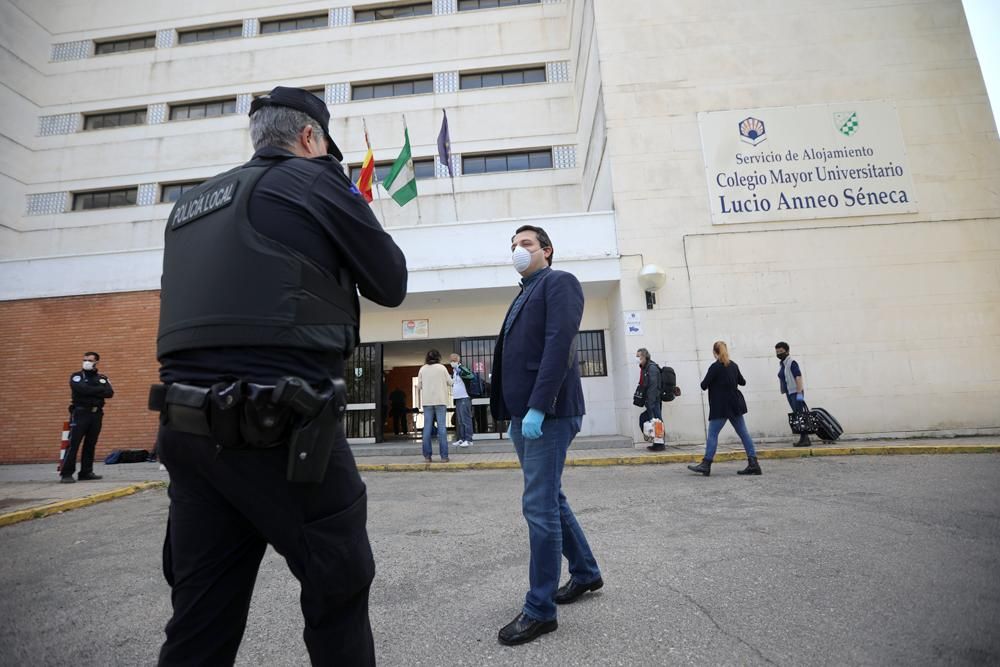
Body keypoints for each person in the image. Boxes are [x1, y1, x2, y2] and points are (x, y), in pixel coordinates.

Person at [152, 86, 407, 666]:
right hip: (282, 428)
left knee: (199, 617)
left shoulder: (192, 204)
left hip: (187, 430)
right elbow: (390, 281)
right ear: (310, 138)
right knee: (338, 591)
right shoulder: (317, 180)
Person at [490, 225, 603, 646]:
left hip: (549, 412)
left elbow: (560, 344)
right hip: (527, 414)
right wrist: (514, 412)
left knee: (538, 507)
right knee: (551, 498)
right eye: (514, 245)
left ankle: (540, 610)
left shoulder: (559, 282)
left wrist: (539, 405)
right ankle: (587, 572)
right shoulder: (525, 290)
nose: (519, 250)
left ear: (547, 250)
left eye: (527, 244)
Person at [687, 341, 761, 476]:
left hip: (720, 406)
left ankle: (706, 463)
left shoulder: (715, 367)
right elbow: (742, 382)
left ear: (715, 352)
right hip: (735, 405)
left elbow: (704, 385)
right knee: (744, 434)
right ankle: (753, 463)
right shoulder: (733, 365)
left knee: (713, 435)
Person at [61, 351, 114, 483]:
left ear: (96, 362)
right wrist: (98, 390)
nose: (86, 362)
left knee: (90, 443)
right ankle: (66, 473)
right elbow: (81, 389)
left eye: (90, 360)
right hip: (80, 413)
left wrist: (92, 390)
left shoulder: (102, 378)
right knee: (74, 443)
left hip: (96, 414)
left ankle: (86, 472)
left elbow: (109, 393)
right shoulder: (77, 376)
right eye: (85, 359)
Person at [418, 349, 452, 462]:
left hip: (427, 402)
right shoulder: (442, 368)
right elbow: (450, 382)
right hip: (441, 401)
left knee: (427, 428)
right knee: (442, 428)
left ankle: (427, 456)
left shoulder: (422, 369)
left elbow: (419, 386)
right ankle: (444, 457)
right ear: (438, 357)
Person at [776, 341, 811, 447]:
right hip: (790, 393)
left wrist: (800, 394)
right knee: (797, 415)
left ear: (787, 351)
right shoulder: (783, 364)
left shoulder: (792, 362)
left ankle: (805, 439)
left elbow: (798, 377)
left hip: (796, 392)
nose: (778, 354)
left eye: (781, 351)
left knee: (800, 415)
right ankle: (804, 438)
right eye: (777, 352)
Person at [634, 348, 664, 451]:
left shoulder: (651, 368)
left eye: (638, 356)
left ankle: (659, 444)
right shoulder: (645, 367)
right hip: (650, 400)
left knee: (657, 421)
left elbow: (653, 386)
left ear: (644, 357)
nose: (637, 359)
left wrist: (650, 402)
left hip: (654, 400)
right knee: (651, 421)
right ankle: (657, 442)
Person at [449, 353, 476, 448]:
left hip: (464, 397)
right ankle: (462, 438)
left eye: (453, 360)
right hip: (458, 398)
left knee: (466, 419)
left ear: (458, 360)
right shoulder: (454, 371)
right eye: (451, 360)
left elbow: (471, 376)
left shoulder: (461, 368)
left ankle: (469, 440)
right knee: (460, 420)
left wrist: (459, 371)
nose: (452, 362)